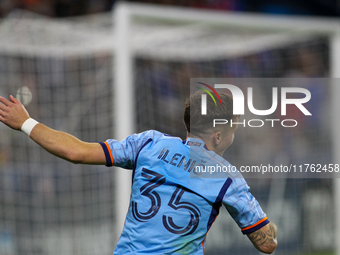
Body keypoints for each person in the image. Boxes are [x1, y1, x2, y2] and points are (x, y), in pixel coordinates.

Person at [0, 92, 277, 254]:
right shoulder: (227, 178)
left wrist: (26, 122)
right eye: (233, 130)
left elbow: (76, 152)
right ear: (218, 136)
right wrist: (268, 226)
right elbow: (267, 244)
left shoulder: (149, 143)